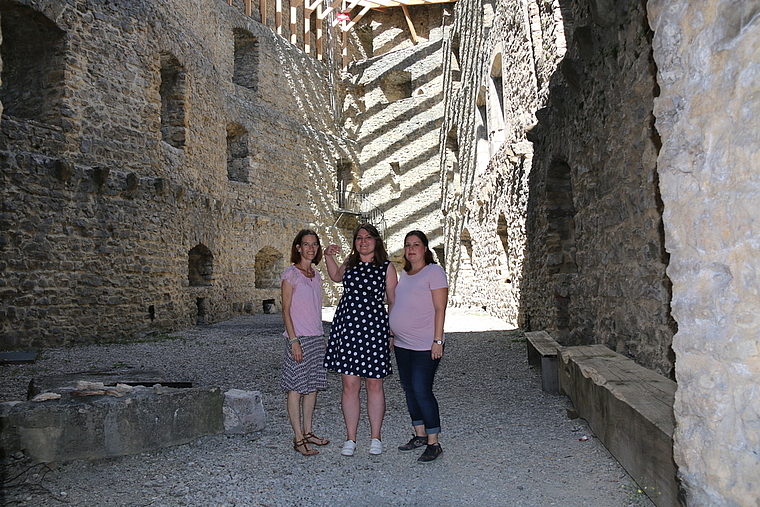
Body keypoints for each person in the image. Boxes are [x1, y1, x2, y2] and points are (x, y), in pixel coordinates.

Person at [323, 224, 397, 456]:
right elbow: (336, 277)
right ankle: (351, 438)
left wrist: (391, 332)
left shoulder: (387, 267)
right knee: (350, 385)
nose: (363, 241)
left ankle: (376, 437)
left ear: (376, 241)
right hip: (348, 329)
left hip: (374, 329)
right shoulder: (351, 262)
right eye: (359, 238)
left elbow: (393, 301)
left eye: (368, 238)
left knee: (374, 384)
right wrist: (327, 256)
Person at [389, 230, 448, 463]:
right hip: (403, 344)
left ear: (425, 248)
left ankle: (434, 443)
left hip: (425, 344)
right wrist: (392, 332)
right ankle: (420, 435)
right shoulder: (405, 274)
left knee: (422, 390)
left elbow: (440, 309)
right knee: (409, 389)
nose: (411, 249)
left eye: (416, 244)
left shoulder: (434, 272)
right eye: (407, 245)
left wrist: (438, 340)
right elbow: (399, 304)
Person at [281, 229, 330, 456]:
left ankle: (309, 431)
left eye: (314, 244)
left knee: (311, 387)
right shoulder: (291, 274)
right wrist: (293, 341)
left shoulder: (315, 274)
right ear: (298, 247)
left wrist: (321, 338)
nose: (311, 248)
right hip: (298, 338)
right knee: (295, 388)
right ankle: (298, 438)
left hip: (315, 338)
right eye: (306, 244)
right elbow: (286, 310)